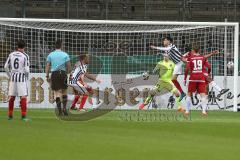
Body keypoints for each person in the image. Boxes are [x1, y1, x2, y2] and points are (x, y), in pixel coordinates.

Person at [150, 37, 185, 101]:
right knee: (173, 80)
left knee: (173, 79)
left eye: (165, 40)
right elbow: (167, 56)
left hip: (179, 62)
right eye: (163, 40)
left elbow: (167, 49)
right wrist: (161, 54)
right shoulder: (167, 49)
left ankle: (182, 93)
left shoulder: (172, 46)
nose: (164, 41)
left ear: (169, 41)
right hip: (177, 64)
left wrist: (155, 47)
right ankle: (182, 93)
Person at [4, 40, 30, 121]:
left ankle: (10, 116)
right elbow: (27, 70)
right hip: (21, 79)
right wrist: (26, 77)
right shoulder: (25, 56)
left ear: (17, 46)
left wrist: (10, 75)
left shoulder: (11, 54)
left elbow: (5, 66)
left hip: (13, 78)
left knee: (12, 97)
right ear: (24, 47)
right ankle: (23, 117)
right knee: (23, 97)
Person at [45, 40, 71, 116]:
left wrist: (47, 76)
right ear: (61, 45)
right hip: (63, 73)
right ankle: (64, 108)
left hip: (54, 73)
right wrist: (68, 73)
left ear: (55, 46)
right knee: (64, 91)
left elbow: (47, 65)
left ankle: (59, 111)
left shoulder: (51, 54)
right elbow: (69, 66)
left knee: (57, 93)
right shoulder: (65, 54)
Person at [184, 43, 210, 117]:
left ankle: (187, 111)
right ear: (199, 50)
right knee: (203, 94)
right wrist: (208, 74)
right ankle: (204, 112)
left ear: (192, 50)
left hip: (193, 77)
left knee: (189, 94)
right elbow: (208, 66)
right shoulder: (202, 57)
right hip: (201, 78)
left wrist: (185, 79)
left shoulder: (191, 58)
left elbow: (186, 69)